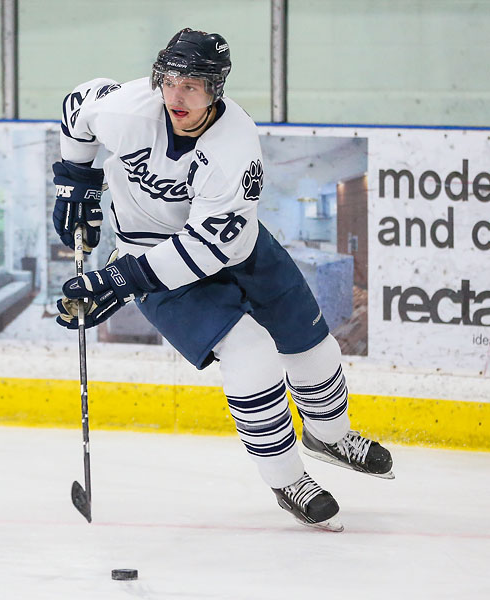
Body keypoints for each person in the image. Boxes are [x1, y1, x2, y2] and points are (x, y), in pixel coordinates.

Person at [51, 28, 393, 532]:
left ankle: (330, 435)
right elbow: (77, 107)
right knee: (251, 353)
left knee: (313, 344)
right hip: (148, 250)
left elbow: (209, 248)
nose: (176, 96)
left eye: (191, 86)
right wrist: (74, 180)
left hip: (232, 245)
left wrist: (123, 279)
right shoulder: (128, 110)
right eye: (169, 81)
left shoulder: (235, 145)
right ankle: (287, 480)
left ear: (216, 89)